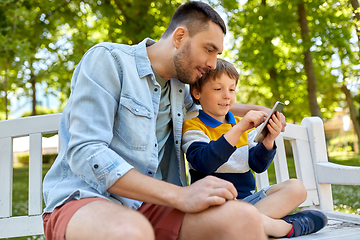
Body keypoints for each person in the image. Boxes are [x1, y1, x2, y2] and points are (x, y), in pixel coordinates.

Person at [42, 2, 286, 240]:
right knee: (131, 231)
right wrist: (180, 195)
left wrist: (262, 112)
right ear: (179, 37)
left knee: (244, 218)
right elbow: (87, 152)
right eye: (208, 49)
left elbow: (214, 103)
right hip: (87, 199)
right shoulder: (109, 61)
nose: (212, 64)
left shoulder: (179, 88)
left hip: (152, 206)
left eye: (217, 54)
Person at [182, 58, 328, 238]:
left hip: (249, 203)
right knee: (231, 214)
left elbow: (258, 165)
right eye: (218, 89)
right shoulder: (194, 127)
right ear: (197, 92)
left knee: (297, 188)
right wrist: (239, 129)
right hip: (216, 207)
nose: (227, 95)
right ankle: (284, 227)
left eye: (232, 89)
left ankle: (252, 222)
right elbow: (204, 162)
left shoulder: (241, 126)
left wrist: (268, 141)